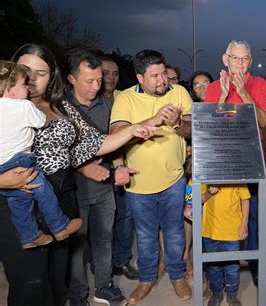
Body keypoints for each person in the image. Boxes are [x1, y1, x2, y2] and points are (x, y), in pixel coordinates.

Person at [0, 43, 153, 306]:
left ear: (52, 77)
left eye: (42, 72)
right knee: (30, 288)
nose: (34, 78)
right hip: (19, 205)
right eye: (27, 71)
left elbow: (95, 142)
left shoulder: (60, 105)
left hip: (62, 201)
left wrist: (134, 129)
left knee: (59, 283)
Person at [110, 49, 193, 304]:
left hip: (174, 180)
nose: (162, 81)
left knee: (175, 232)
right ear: (139, 77)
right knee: (145, 236)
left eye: (163, 74)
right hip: (138, 183)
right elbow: (117, 132)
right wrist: (154, 120)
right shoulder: (125, 98)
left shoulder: (179, 92)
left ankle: (177, 276)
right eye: (154, 76)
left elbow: (192, 130)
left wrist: (178, 122)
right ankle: (147, 280)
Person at [66, 50, 136, 305]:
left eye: (99, 80)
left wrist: (119, 167)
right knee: (77, 244)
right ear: (71, 78)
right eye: (89, 81)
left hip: (104, 185)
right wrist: (82, 168)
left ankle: (104, 286)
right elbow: (56, 152)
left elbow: (114, 142)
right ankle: (77, 293)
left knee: (105, 238)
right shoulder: (60, 107)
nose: (97, 86)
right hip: (73, 189)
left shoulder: (107, 104)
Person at [205, 39, 266, 286]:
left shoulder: (260, 84)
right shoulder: (214, 87)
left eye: (244, 59)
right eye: (235, 58)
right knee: (218, 208)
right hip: (221, 159)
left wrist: (243, 92)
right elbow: (211, 124)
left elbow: (263, 121)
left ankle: (253, 262)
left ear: (250, 62)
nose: (240, 64)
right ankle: (215, 265)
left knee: (252, 212)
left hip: (251, 158)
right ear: (225, 59)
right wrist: (224, 93)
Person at [0, 61, 82, 249]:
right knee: (44, 192)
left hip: (2, 165)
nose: (28, 89)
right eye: (23, 84)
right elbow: (42, 123)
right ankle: (60, 225)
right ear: (10, 90)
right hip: (22, 161)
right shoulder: (24, 106)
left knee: (19, 202)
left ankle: (29, 236)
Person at [98, 55, 138, 280]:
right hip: (97, 168)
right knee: (101, 222)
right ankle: (100, 265)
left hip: (123, 165)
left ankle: (121, 261)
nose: (110, 77)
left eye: (114, 73)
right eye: (105, 73)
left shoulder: (124, 97)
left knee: (125, 216)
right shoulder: (88, 101)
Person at [202, 182, 250, 306]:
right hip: (210, 230)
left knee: (232, 267)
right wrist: (209, 193)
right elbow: (197, 198)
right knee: (213, 266)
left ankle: (232, 295)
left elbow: (245, 199)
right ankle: (216, 293)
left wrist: (244, 224)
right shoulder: (206, 173)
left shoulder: (236, 173)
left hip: (232, 231)